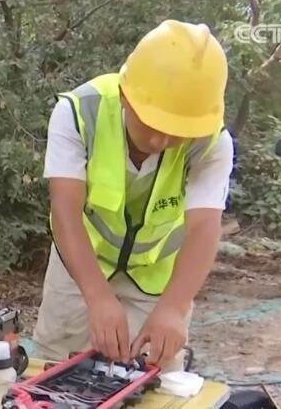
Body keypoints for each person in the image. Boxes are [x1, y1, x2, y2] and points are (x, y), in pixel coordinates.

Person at [32, 19, 235, 372]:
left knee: (155, 377)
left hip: (156, 276)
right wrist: (97, 297)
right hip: (79, 260)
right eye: (152, 123)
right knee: (54, 367)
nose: (160, 140)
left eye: (176, 131)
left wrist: (174, 308)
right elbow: (65, 212)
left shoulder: (211, 143)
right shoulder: (79, 113)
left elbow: (204, 227)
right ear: (126, 95)